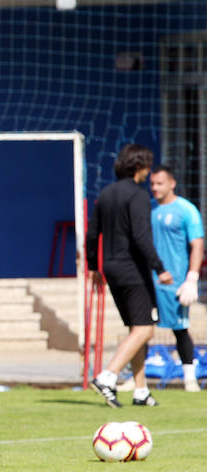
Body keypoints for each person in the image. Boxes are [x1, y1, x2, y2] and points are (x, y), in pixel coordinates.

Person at [87, 144, 173, 407]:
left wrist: (93, 267)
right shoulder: (137, 195)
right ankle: (107, 376)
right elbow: (140, 236)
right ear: (139, 167)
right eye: (147, 166)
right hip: (132, 269)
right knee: (146, 329)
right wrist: (160, 267)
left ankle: (140, 390)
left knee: (136, 327)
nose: (148, 173)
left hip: (111, 269)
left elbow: (92, 235)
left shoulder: (106, 194)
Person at [150, 165, 204, 392]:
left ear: (172, 183)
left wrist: (192, 278)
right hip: (150, 281)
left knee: (180, 329)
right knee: (141, 329)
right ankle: (136, 378)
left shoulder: (186, 210)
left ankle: (189, 377)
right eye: (152, 184)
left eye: (159, 183)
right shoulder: (150, 211)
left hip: (176, 283)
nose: (155, 188)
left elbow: (197, 244)